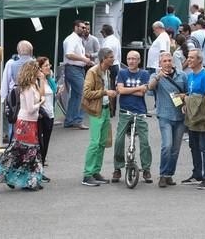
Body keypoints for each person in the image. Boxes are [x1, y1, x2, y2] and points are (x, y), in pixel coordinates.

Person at [0, 60, 44, 190]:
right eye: (38, 69)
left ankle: (28, 180)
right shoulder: (27, 88)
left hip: (31, 122)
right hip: (25, 123)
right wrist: (41, 102)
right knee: (26, 151)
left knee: (28, 152)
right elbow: (30, 108)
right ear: (32, 72)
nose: (40, 71)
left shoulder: (34, 86)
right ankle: (13, 175)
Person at [112, 51, 152, 184]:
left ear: (139, 60)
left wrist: (128, 90)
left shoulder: (145, 74)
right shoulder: (122, 73)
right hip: (125, 112)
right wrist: (137, 88)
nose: (131, 61)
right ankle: (117, 168)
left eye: (134, 59)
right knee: (118, 141)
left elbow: (142, 93)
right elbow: (120, 91)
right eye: (129, 59)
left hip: (140, 112)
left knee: (145, 142)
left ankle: (146, 169)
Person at [148, 52, 188, 188]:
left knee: (175, 149)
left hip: (180, 116)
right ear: (160, 63)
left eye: (169, 60)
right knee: (167, 145)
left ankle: (169, 174)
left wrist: (185, 100)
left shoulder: (182, 76)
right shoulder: (155, 76)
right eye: (164, 61)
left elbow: (188, 93)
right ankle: (163, 174)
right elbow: (150, 87)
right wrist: (158, 77)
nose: (167, 63)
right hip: (165, 115)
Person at [81, 48, 117, 187]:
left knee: (102, 142)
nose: (113, 59)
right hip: (97, 111)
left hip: (106, 110)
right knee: (95, 143)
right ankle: (87, 174)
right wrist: (105, 92)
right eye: (110, 57)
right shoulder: (92, 72)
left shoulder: (107, 71)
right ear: (103, 59)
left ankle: (96, 171)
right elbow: (87, 93)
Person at [181, 49, 205, 190]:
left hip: (202, 115)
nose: (189, 60)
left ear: (200, 60)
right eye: (188, 57)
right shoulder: (190, 76)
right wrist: (185, 104)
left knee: (204, 146)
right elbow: (190, 93)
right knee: (193, 145)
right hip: (191, 115)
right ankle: (197, 174)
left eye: (192, 58)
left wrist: (190, 100)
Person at [0, 40, 34, 140]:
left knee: (14, 119)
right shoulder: (33, 63)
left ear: (18, 51)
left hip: (14, 95)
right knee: (23, 119)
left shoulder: (12, 63)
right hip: (25, 95)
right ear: (31, 51)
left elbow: (5, 82)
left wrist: (4, 99)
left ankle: (13, 144)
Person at [63, 20, 93, 130]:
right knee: (84, 94)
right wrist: (84, 59)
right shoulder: (72, 39)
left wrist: (86, 60)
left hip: (77, 69)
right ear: (75, 27)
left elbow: (75, 54)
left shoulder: (78, 40)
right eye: (82, 27)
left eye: (85, 28)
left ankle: (70, 120)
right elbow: (69, 54)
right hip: (73, 69)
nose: (84, 29)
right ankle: (78, 120)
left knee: (75, 96)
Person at [36, 57, 56, 180]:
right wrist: (42, 79)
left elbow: (52, 93)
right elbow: (40, 96)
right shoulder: (38, 81)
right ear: (39, 68)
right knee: (40, 145)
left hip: (50, 114)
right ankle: (38, 171)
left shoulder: (49, 79)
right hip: (42, 116)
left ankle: (41, 169)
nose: (49, 67)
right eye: (46, 66)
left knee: (46, 144)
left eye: (49, 65)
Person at [100, 24, 122, 89]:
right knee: (113, 87)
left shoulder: (107, 42)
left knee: (107, 87)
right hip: (116, 65)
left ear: (104, 32)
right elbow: (119, 55)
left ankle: (109, 99)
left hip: (109, 67)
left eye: (102, 32)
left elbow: (105, 56)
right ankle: (113, 99)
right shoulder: (116, 40)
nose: (101, 34)